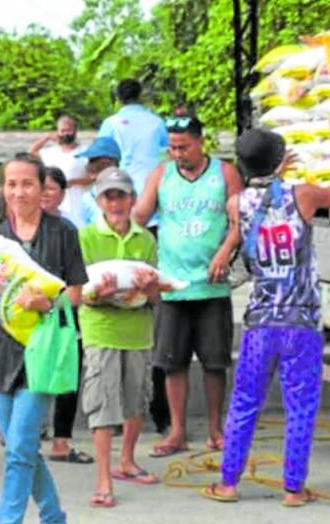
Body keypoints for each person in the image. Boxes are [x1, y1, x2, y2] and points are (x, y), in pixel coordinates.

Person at [202, 116, 330, 507]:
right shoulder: (303, 195)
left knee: (244, 401)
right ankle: (293, 488)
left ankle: (228, 483)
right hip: (300, 323)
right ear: (279, 159)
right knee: (300, 406)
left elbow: (251, 219)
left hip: (260, 323)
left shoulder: (237, 203)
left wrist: (272, 172)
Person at [0, 153, 88, 524]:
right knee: (21, 448)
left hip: (43, 351)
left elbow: (76, 293)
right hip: (0, 351)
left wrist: (49, 303)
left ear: (42, 187)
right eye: (11, 184)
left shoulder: (63, 232)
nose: (19, 192)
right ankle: (55, 521)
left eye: (27, 183)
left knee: (17, 451)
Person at [133, 112, 243, 457]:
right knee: (172, 362)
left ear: (200, 142)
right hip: (173, 285)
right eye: (172, 148)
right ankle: (177, 431)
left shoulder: (224, 173)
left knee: (215, 361)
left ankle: (215, 429)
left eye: (184, 147)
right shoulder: (161, 175)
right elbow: (139, 217)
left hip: (212, 284)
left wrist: (224, 252)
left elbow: (240, 220)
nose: (178, 153)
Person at [79, 167, 162, 508]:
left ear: (132, 199)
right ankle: (103, 478)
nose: (115, 203)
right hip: (102, 330)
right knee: (102, 405)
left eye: (121, 196)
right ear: (98, 201)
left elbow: (157, 297)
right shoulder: (86, 238)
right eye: (108, 196)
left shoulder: (146, 240)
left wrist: (149, 289)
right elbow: (79, 293)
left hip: (138, 332)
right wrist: (99, 294)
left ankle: (127, 460)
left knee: (137, 400)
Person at [40, 166, 94, 466]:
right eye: (41, 187)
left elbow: (76, 278)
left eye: (51, 188)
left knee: (67, 376)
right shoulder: (15, 228)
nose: (44, 194)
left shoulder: (68, 229)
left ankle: (61, 441)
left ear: (62, 194)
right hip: (28, 316)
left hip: (63, 311)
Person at [98, 79, 168, 204]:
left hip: (119, 188)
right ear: (140, 96)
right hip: (153, 187)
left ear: (118, 99)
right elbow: (169, 150)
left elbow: (99, 155)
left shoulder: (111, 123)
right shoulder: (157, 122)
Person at [30, 116, 90, 227]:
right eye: (62, 131)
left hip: (77, 200)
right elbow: (32, 151)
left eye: (69, 130)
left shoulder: (85, 151)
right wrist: (47, 137)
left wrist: (73, 182)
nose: (66, 134)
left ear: (75, 131)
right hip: (54, 203)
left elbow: (93, 177)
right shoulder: (50, 152)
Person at [75, 136, 122, 227]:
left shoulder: (128, 195)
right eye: (90, 161)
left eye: (93, 160)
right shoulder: (87, 199)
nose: (89, 165)